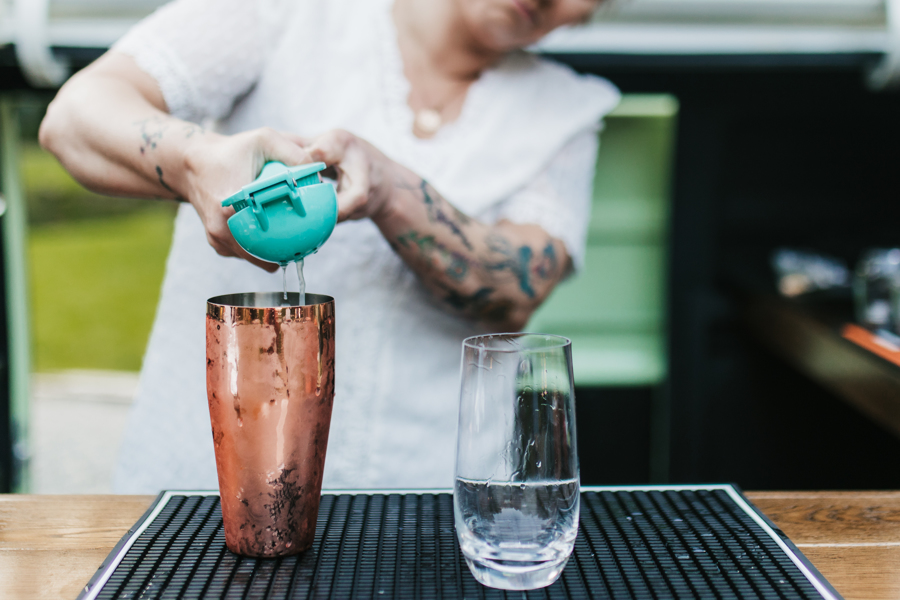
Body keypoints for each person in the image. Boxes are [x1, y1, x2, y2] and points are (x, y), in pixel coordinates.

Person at [39, 0, 620, 492]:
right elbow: (74, 119)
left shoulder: (567, 111)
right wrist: (195, 161)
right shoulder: (284, 12)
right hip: (205, 488)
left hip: (424, 507)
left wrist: (388, 189)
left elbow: (514, 294)